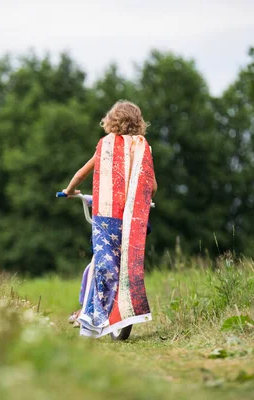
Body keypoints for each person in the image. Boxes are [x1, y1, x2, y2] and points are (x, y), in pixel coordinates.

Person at [62, 100, 157, 332]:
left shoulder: (105, 146)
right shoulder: (143, 147)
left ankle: (91, 314)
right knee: (128, 265)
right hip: (134, 221)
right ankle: (125, 311)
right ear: (138, 123)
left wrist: (69, 191)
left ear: (111, 121)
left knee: (104, 264)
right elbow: (152, 186)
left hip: (106, 218)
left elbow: (81, 174)